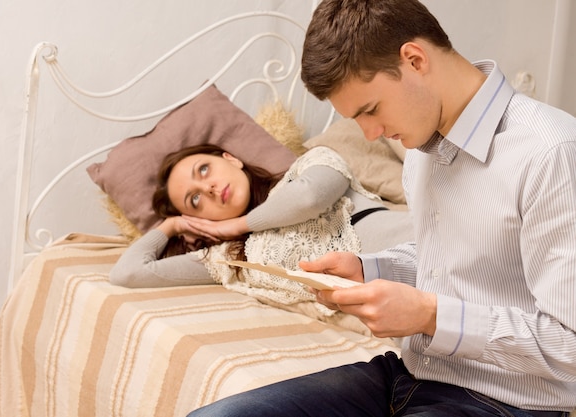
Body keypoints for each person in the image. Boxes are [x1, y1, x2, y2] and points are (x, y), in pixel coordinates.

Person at [186, 0, 576, 416]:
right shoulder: (424, 147)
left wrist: (430, 316)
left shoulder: (551, 154)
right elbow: (450, 264)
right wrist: (367, 271)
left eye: (370, 110)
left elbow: (569, 345)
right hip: (409, 375)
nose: (371, 133)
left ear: (414, 59)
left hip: (507, 402)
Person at [110, 143, 413, 315]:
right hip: (399, 313)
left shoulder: (310, 165)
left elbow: (310, 199)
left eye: (204, 170)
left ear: (231, 159)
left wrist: (237, 224)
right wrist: (172, 225)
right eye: (195, 199)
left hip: (422, 249)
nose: (209, 188)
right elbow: (128, 273)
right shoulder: (229, 258)